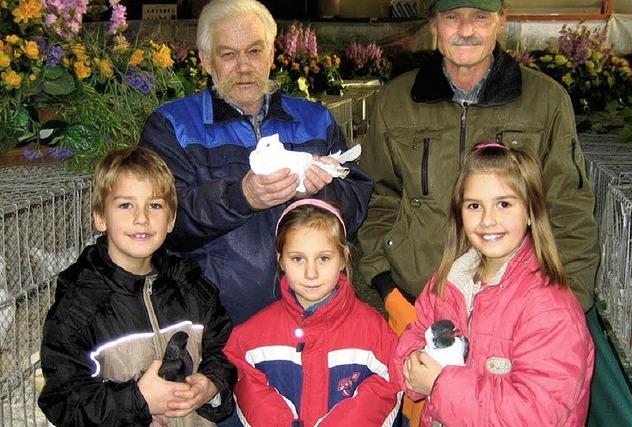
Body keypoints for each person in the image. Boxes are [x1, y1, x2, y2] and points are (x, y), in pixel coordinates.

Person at [357, 0, 599, 332]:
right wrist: (387, 289)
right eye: (452, 17)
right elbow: (375, 198)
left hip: (516, 311)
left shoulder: (545, 102)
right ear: (433, 25)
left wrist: (563, 308)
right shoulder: (397, 102)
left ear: (502, 21)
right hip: (417, 300)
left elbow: (570, 210)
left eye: (480, 17)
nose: (466, 30)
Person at [139, 0, 372, 326]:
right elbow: (164, 222)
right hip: (216, 321)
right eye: (228, 54)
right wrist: (241, 197)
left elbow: (358, 204)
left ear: (272, 54)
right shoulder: (172, 126)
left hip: (313, 314)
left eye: (254, 51)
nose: (244, 67)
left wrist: (318, 196)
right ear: (206, 61)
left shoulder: (315, 119)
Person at [394, 143, 594, 426]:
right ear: (459, 214)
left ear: (529, 212)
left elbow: (535, 414)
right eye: (474, 206)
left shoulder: (551, 309)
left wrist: (439, 385)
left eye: (504, 204)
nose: (488, 220)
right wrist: (415, 363)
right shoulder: (448, 282)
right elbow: (416, 332)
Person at [38, 147, 237, 426]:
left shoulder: (193, 288)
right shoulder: (78, 306)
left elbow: (227, 349)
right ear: (100, 217)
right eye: (125, 205)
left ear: (171, 220)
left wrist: (211, 383)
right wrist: (138, 401)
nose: (141, 217)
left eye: (154, 205)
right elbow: (64, 400)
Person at [223, 199, 402, 426]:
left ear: (343, 258)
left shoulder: (375, 330)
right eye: (298, 259)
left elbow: (389, 385)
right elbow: (241, 377)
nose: (311, 273)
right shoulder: (251, 335)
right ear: (280, 261)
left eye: (323, 258)